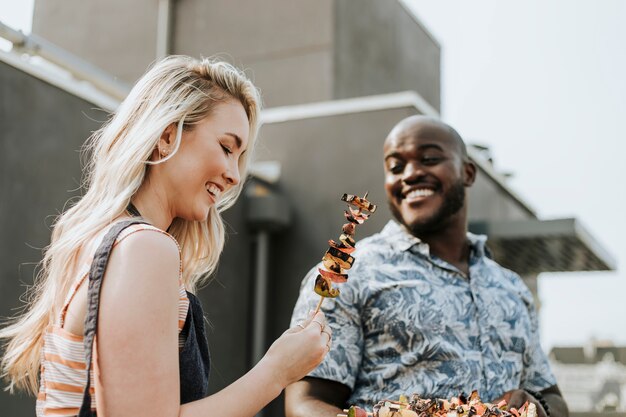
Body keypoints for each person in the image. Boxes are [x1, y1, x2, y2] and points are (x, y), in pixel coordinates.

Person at [0, 55, 331, 417]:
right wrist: (277, 371)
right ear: (167, 135)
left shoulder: (95, 240)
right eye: (226, 147)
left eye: (240, 157)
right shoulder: (144, 248)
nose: (235, 175)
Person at [285, 116, 568, 417]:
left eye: (429, 159)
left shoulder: (511, 288)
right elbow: (304, 404)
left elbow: (554, 398)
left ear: (468, 173)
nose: (410, 174)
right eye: (395, 166)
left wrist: (538, 407)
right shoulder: (346, 274)